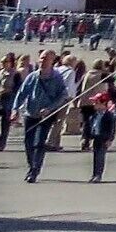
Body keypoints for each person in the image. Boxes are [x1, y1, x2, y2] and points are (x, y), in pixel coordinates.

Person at [14, 51, 74, 183]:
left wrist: (50, 108)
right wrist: (15, 109)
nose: (43, 61)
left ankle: (35, 170)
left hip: (46, 116)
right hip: (30, 113)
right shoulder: (32, 76)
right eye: (41, 58)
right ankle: (31, 166)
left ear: (52, 61)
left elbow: (63, 95)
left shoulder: (57, 78)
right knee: (28, 143)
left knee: (39, 143)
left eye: (46, 59)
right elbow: (22, 93)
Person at [84, 78, 116, 181]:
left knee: (100, 156)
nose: (94, 105)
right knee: (95, 156)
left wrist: (110, 139)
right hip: (96, 137)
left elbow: (112, 128)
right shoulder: (93, 115)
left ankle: (98, 175)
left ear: (103, 104)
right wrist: (86, 137)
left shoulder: (109, 116)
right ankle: (94, 174)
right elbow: (88, 126)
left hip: (104, 138)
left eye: (96, 102)